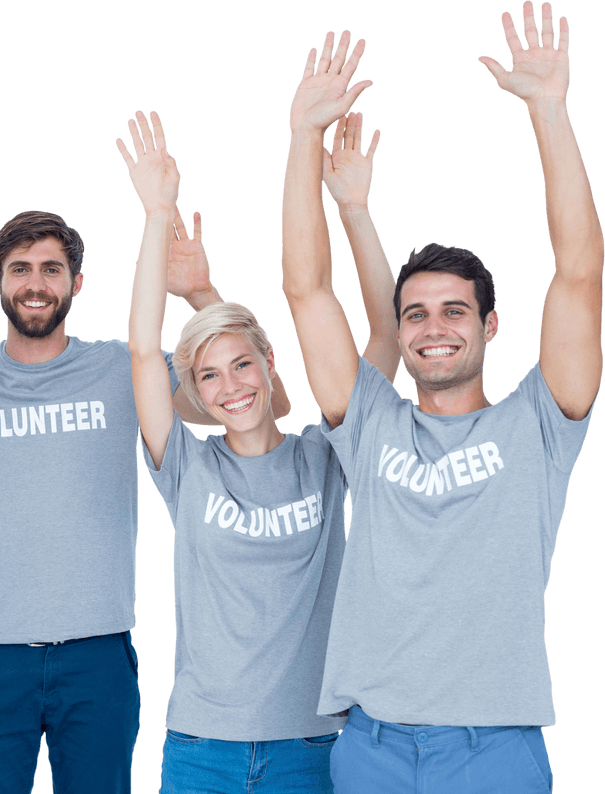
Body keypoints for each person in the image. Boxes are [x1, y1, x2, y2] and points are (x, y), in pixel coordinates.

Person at [0, 129, 266, 794]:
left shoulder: (121, 367)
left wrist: (200, 295)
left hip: (99, 653)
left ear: (76, 283)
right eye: (21, 270)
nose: (35, 284)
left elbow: (227, 401)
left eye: (51, 270)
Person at [280, 4, 601, 791]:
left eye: (454, 311)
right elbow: (306, 290)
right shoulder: (369, 425)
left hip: (493, 752)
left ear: (490, 326)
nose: (432, 329)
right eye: (415, 313)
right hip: (370, 749)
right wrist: (301, 138)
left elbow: (581, 273)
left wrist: (550, 111)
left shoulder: (540, 422)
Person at [122, 106, 397, 793]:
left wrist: (357, 212)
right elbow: (139, 354)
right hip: (201, 746)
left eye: (243, 365)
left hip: (311, 744)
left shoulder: (327, 455)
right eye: (208, 377)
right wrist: (157, 217)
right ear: (195, 391)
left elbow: (387, 337)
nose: (229, 387)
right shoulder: (186, 467)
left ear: (271, 361)